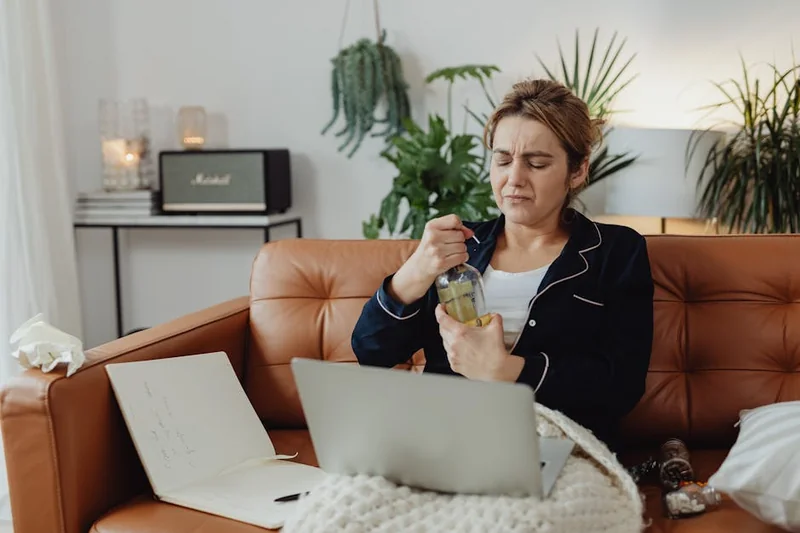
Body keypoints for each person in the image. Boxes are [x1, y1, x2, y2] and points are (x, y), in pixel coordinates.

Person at [350, 78, 654, 453]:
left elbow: (621, 385)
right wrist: (415, 272)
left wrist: (507, 372)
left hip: (556, 447)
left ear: (577, 171)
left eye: (537, 163)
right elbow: (370, 350)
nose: (514, 179)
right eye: (503, 159)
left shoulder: (615, 251)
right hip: (442, 441)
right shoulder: (458, 246)